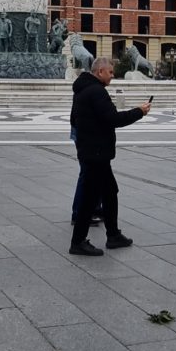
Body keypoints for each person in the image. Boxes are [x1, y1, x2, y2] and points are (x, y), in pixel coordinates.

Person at [70, 57, 151, 256]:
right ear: (100, 72)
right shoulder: (97, 92)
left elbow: (74, 119)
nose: (113, 76)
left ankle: (113, 235)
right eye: (111, 73)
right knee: (90, 199)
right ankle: (78, 242)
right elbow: (113, 119)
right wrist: (139, 112)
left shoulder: (83, 90)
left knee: (109, 191)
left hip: (94, 151)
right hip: (96, 153)